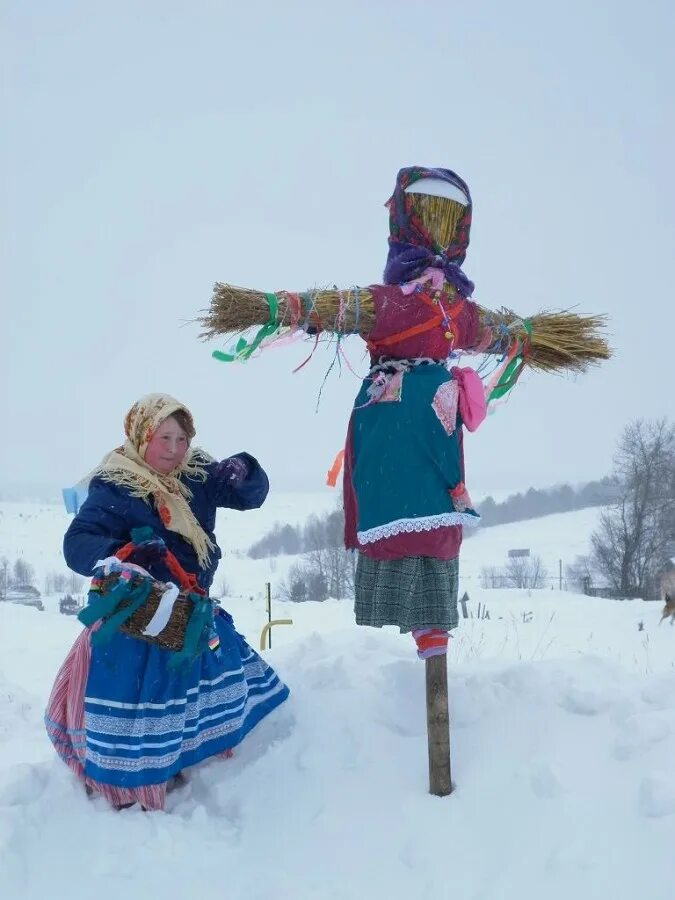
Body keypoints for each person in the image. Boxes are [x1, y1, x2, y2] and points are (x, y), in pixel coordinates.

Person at [45, 392, 289, 810]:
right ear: (142, 437)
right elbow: (77, 543)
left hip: (189, 612)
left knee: (190, 694)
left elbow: (252, 495)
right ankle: (127, 786)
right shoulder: (117, 484)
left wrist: (242, 468)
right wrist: (124, 555)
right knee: (138, 705)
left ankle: (183, 758)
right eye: (165, 438)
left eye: (181, 438)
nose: (175, 450)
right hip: (138, 618)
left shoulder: (196, 475)